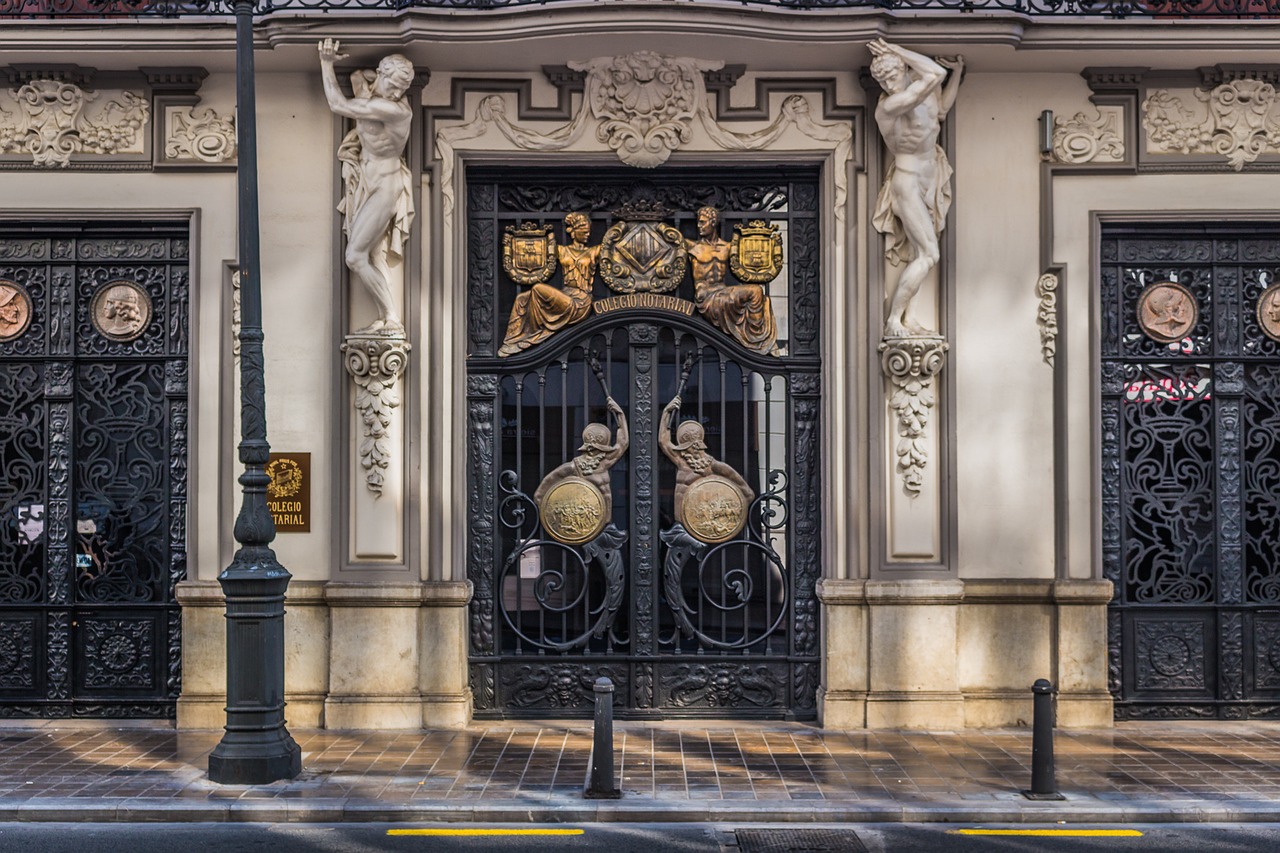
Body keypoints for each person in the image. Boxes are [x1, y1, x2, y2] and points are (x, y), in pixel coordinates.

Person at [869, 39, 964, 338]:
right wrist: (896, 52)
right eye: (881, 79)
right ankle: (893, 320)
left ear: (905, 71)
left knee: (919, 253)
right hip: (907, 182)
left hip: (930, 178)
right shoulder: (890, 105)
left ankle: (909, 318)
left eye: (892, 76)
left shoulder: (922, 94)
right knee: (928, 254)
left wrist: (957, 73)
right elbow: (934, 73)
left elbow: (941, 111)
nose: (887, 83)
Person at [319, 38, 415, 335]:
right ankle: (386, 319)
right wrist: (367, 79)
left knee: (354, 256)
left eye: (403, 89)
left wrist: (326, 62)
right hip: (366, 182)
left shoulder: (394, 110)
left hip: (386, 186)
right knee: (374, 255)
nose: (398, 93)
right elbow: (357, 77)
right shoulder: (375, 98)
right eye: (394, 85)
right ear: (382, 74)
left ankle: (393, 319)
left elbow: (337, 104)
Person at [499, 212, 598, 356]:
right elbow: (540, 251)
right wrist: (509, 245)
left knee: (538, 288)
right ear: (574, 232)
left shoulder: (594, 251)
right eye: (584, 231)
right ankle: (512, 341)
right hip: (565, 296)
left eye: (589, 232)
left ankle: (532, 333)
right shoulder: (562, 250)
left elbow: (613, 246)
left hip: (580, 303)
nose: (588, 234)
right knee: (521, 299)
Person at [686, 206, 778, 355]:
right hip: (706, 297)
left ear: (713, 222)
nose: (698, 226)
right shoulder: (692, 246)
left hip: (723, 292)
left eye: (703, 222)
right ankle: (756, 345)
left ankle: (757, 340)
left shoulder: (728, 247)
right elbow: (670, 238)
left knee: (757, 291)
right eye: (698, 222)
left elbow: (745, 266)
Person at [533, 398, 628, 531]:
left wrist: (620, 414)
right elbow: (546, 484)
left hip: (606, 521)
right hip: (586, 522)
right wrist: (544, 509)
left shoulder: (604, 462)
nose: (601, 452)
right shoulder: (573, 467)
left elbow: (623, 443)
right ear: (589, 448)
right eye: (598, 449)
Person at [659, 395, 753, 524]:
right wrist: (666, 412)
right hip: (679, 521)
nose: (684, 450)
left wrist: (734, 517)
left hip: (700, 524)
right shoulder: (682, 460)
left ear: (697, 445)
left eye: (688, 447)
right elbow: (663, 441)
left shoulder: (714, 465)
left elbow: (748, 493)